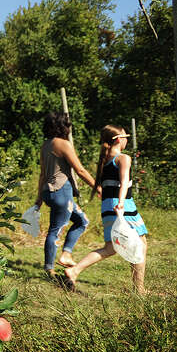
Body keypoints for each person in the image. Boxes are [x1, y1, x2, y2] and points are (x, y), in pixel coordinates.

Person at [65, 125, 147, 293]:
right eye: (126, 137)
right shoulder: (123, 158)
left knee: (110, 247)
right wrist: (122, 203)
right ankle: (139, 290)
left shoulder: (105, 159)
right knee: (140, 243)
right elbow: (124, 183)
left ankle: (74, 270)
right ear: (118, 139)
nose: (127, 140)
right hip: (123, 205)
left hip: (108, 206)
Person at [34, 112, 99, 278]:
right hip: (61, 192)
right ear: (62, 126)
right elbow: (80, 170)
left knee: (82, 221)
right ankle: (50, 269)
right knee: (55, 230)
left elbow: (42, 174)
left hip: (49, 192)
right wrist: (97, 187)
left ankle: (66, 254)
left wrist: (39, 198)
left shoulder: (46, 145)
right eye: (67, 124)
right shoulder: (63, 144)